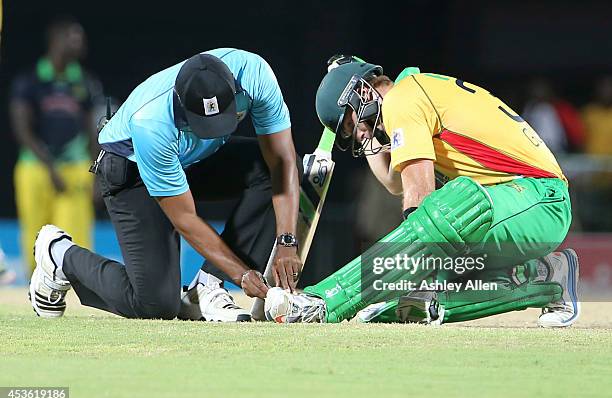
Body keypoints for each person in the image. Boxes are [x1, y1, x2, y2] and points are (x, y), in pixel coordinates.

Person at [265, 58, 580, 327]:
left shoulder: (405, 98)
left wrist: (412, 271)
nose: (361, 136)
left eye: (354, 124)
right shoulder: (415, 91)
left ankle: (322, 303)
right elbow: (393, 181)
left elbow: (418, 195)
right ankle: (550, 280)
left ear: (363, 92)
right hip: (522, 210)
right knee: (395, 309)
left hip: (538, 198)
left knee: (453, 206)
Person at [29, 48, 303, 322]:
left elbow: (282, 160)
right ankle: (59, 255)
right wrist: (240, 274)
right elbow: (184, 218)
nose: (217, 130)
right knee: (156, 305)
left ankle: (206, 288)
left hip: (190, 159)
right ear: (181, 104)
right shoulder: (152, 122)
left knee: (269, 169)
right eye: (203, 123)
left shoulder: (254, 74)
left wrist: (287, 241)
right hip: (131, 170)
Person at [10, 16, 101, 275]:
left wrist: (95, 173)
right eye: (75, 37)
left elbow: (94, 129)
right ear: (56, 40)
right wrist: (50, 167)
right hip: (35, 167)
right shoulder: (29, 80)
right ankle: (36, 289)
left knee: (76, 236)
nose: (81, 43)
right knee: (35, 234)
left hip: (74, 168)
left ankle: (77, 292)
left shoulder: (85, 81)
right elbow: (22, 129)